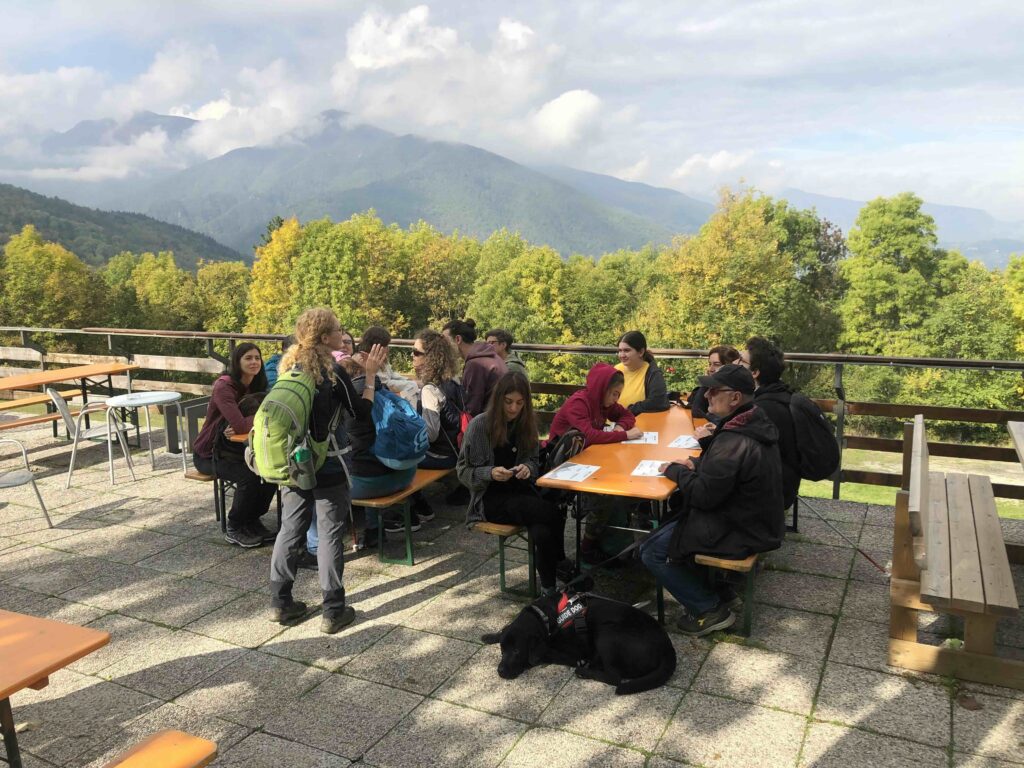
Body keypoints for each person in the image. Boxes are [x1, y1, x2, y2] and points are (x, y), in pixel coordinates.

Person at [640, 363, 784, 636]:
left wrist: (676, 470)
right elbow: (727, 477)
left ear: (735, 398)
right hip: (753, 518)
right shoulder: (753, 420)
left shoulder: (735, 440)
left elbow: (704, 496)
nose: (706, 395)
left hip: (741, 528)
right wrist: (701, 463)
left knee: (651, 551)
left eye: (713, 390)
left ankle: (709, 608)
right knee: (668, 526)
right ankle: (721, 590)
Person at [268, 307, 386, 634]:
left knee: (290, 529)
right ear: (324, 338)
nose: (341, 333)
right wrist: (371, 374)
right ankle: (333, 609)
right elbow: (360, 412)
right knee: (330, 533)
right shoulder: (332, 372)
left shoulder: (288, 366)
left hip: (294, 462)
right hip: (329, 463)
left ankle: (280, 602)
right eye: (337, 330)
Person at [458, 372, 569, 595]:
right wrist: (489, 473)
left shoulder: (526, 424)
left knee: (542, 532)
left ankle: (549, 589)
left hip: (521, 490)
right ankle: (565, 567)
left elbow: (534, 461)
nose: (513, 409)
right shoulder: (480, 426)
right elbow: (462, 472)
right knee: (553, 513)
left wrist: (527, 468)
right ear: (499, 399)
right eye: (508, 402)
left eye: (520, 403)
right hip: (490, 498)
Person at [547, 362, 641, 564]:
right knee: (603, 494)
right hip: (560, 463)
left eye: (618, 394)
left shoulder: (602, 402)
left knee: (614, 487)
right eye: (614, 393)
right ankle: (588, 547)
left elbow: (627, 415)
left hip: (586, 458)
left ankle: (601, 540)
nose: (617, 399)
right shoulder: (579, 403)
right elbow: (588, 436)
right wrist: (624, 434)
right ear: (602, 388)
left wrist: (617, 427)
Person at [192, 343, 277, 548]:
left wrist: (248, 421)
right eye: (248, 358)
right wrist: (258, 418)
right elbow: (239, 424)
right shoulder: (224, 386)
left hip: (239, 450)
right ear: (237, 362)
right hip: (210, 454)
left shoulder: (258, 384)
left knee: (270, 472)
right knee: (248, 476)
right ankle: (235, 526)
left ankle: (252, 520)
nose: (254, 362)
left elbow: (261, 417)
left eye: (257, 357)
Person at [408, 329, 462, 521]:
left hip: (442, 455)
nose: (412, 356)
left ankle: (417, 507)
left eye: (416, 353)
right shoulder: (452, 381)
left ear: (430, 357)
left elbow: (429, 435)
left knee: (396, 459)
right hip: (457, 449)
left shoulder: (430, 389)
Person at [741, 337, 800, 511]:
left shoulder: (762, 409)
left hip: (768, 492)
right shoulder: (780, 395)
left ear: (754, 372)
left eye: (741, 361)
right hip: (785, 485)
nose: (735, 364)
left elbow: (741, 459)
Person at [443, 319, 508, 417]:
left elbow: (472, 409)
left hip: (490, 426)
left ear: (458, 339)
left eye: (445, 342)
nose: (443, 347)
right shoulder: (489, 355)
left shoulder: (475, 364)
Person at [359, 326, 418, 405]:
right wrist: (409, 384)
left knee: (413, 387)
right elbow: (383, 382)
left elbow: (391, 374)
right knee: (412, 387)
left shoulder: (383, 359)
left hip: (387, 385)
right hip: (381, 389)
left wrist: (407, 379)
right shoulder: (368, 359)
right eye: (386, 346)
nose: (388, 349)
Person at [615, 330, 669, 415]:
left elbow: (658, 402)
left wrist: (627, 412)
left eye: (626, 350)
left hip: (636, 425)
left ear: (641, 352)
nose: (622, 355)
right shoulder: (615, 370)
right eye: (620, 350)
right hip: (609, 424)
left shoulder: (652, 374)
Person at [689, 345, 741, 424]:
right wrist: (708, 381)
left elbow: (697, 412)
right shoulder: (714, 386)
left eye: (716, 364)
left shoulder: (732, 391)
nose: (710, 369)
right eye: (710, 364)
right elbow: (696, 411)